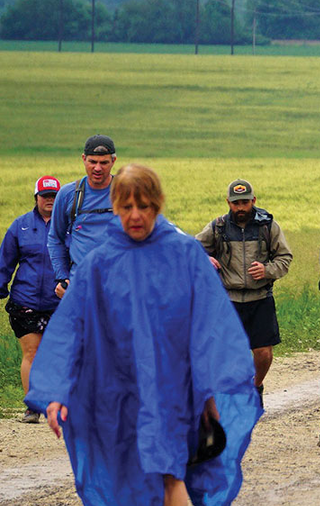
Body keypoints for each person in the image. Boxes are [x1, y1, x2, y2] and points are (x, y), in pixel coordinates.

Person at [25, 164, 261, 506]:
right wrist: (56, 390)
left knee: (168, 471)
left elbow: (210, 326)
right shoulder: (99, 264)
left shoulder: (184, 256)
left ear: (158, 204)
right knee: (127, 480)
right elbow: (70, 330)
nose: (136, 216)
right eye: (126, 207)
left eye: (145, 206)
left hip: (170, 388)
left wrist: (208, 392)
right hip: (114, 392)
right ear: (115, 207)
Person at [196, 179, 293, 408]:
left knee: (263, 354)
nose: (241, 208)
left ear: (253, 201)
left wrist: (267, 270)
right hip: (227, 300)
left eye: (245, 202)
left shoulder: (268, 226)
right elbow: (192, 249)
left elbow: (285, 258)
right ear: (228, 202)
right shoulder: (217, 227)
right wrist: (205, 259)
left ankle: (256, 385)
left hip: (260, 298)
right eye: (236, 203)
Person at [0, 176, 61, 423]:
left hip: (60, 302)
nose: (49, 200)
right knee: (32, 353)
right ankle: (32, 406)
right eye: (45, 195)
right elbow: (6, 260)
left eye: (54, 196)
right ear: (36, 197)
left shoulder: (69, 226)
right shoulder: (21, 225)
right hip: (26, 300)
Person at [48, 135, 119, 300]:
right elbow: (55, 238)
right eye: (93, 162)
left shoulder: (128, 192)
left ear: (114, 161)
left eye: (104, 163)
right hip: (80, 287)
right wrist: (62, 277)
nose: (98, 168)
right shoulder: (68, 194)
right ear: (83, 159)